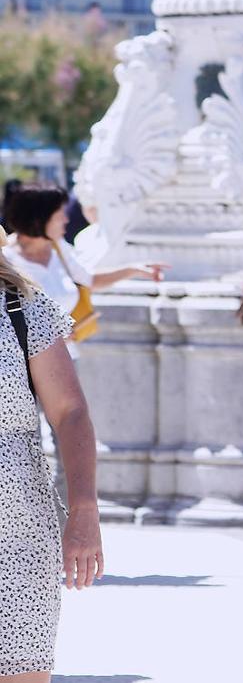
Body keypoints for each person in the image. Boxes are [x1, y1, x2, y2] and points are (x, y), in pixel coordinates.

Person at [0, 235, 104, 681]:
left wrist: (83, 510)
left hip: (18, 534)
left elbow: (70, 412)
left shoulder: (20, 306)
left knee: (22, 670)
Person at [3, 183, 165, 330]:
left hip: (68, 354)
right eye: (60, 215)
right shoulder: (5, 258)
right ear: (39, 219)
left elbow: (89, 279)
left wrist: (133, 270)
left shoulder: (59, 247)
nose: (66, 220)